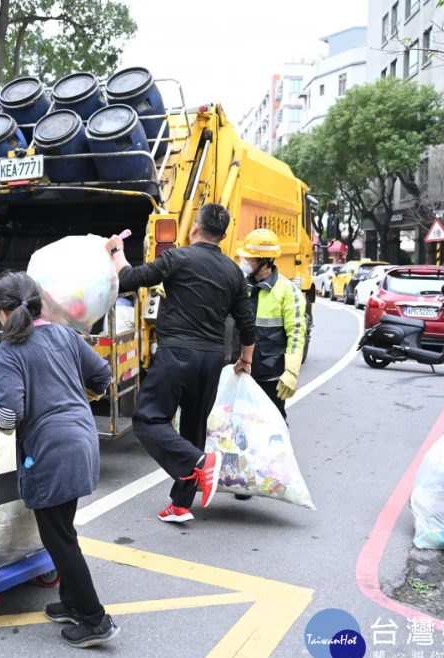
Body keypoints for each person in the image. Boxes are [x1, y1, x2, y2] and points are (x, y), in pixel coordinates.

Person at [0, 271, 119, 648]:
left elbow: (10, 416)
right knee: (63, 529)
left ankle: (95, 620)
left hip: (51, 451)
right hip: (82, 441)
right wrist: (86, 394)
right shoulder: (63, 333)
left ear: (1, 312)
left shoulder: (11, 350)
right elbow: (103, 375)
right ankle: (71, 602)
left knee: (59, 538)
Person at [105, 203, 257, 524]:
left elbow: (132, 278)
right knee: (192, 427)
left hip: (177, 354)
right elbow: (246, 322)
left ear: (194, 229)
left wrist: (117, 251)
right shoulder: (233, 272)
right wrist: (246, 359)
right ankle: (180, 505)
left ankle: (200, 461)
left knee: (148, 419)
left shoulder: (178, 257)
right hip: (212, 359)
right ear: (225, 235)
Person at [237, 228, 307, 420]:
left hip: (271, 374)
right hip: (241, 369)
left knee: (273, 423)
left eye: (250, 259)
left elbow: (296, 333)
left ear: (265, 261)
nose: (244, 262)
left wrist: (291, 371)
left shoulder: (288, 291)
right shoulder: (240, 286)